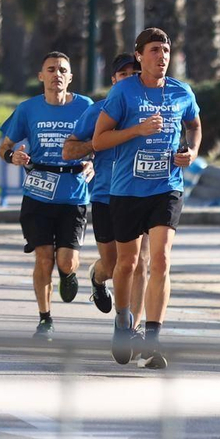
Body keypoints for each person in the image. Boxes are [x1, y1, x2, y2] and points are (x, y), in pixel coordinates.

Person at [91, 28, 201, 369]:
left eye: (166, 50)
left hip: (166, 186)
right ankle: (123, 324)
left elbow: (195, 124)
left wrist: (192, 151)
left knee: (161, 260)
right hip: (125, 189)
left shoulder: (182, 92)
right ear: (139, 56)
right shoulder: (124, 92)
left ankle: (152, 335)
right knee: (127, 264)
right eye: (155, 50)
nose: (162, 56)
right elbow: (99, 140)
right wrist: (136, 130)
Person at [0, 52, 94, 340]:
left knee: (65, 261)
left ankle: (68, 274)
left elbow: (101, 142)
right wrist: (12, 156)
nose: (57, 75)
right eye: (51, 70)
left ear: (70, 77)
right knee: (43, 258)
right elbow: (5, 145)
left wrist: (93, 160)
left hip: (73, 192)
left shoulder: (85, 107)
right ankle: (45, 319)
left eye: (62, 70)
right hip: (38, 192)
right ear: (41, 76)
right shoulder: (28, 109)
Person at [62, 53, 145, 323]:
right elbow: (69, 149)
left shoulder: (152, 109)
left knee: (140, 263)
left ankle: (133, 328)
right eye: (124, 74)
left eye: (135, 73)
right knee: (112, 266)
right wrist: (97, 144)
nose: (130, 79)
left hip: (143, 195)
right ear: (113, 79)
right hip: (106, 197)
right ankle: (97, 279)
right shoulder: (99, 110)